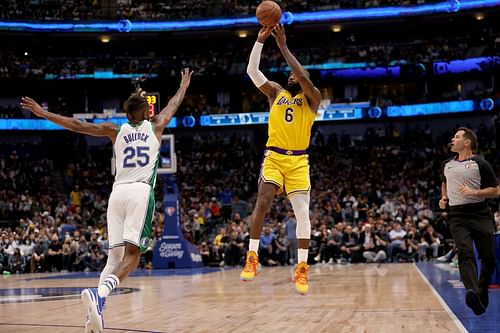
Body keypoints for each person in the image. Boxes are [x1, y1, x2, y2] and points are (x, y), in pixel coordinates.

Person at [20, 68, 192, 332]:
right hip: (140, 192)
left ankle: (93, 318)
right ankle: (99, 296)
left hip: (117, 194)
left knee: (114, 259)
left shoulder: (115, 130)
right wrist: (183, 85)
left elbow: (78, 126)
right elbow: (172, 104)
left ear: (127, 115)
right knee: (133, 257)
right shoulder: (157, 126)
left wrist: (44, 114)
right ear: (146, 112)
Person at [240, 24, 321, 295]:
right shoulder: (276, 93)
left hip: (298, 162)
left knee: (302, 214)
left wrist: (284, 46)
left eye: (294, 76)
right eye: (288, 75)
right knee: (263, 201)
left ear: (304, 80)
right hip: (274, 156)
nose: (290, 77)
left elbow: (300, 73)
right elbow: (252, 72)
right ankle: (252, 256)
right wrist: (260, 42)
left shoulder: (313, 99)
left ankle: (301, 268)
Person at [439, 127, 498, 316]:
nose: (452, 139)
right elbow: (444, 182)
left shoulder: (480, 163)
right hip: (457, 215)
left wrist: (475, 193)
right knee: (464, 252)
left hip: (480, 213)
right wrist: (444, 198)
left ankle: (482, 289)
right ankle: (471, 292)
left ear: (467, 142)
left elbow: (496, 191)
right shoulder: (446, 164)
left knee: (488, 257)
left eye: (456, 137)